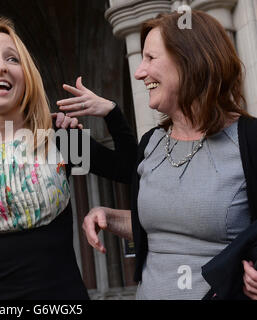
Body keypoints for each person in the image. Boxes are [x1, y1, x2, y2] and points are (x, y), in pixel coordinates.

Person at [59, 10, 257, 299]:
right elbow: (160, 225)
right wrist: (109, 217)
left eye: (150, 58)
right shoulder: (151, 143)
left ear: (191, 59)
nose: (139, 72)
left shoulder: (248, 140)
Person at [0, 16, 137, 299]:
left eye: (13, 59)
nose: (0, 67)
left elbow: (133, 171)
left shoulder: (62, 140)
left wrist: (112, 113)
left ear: (27, 77)